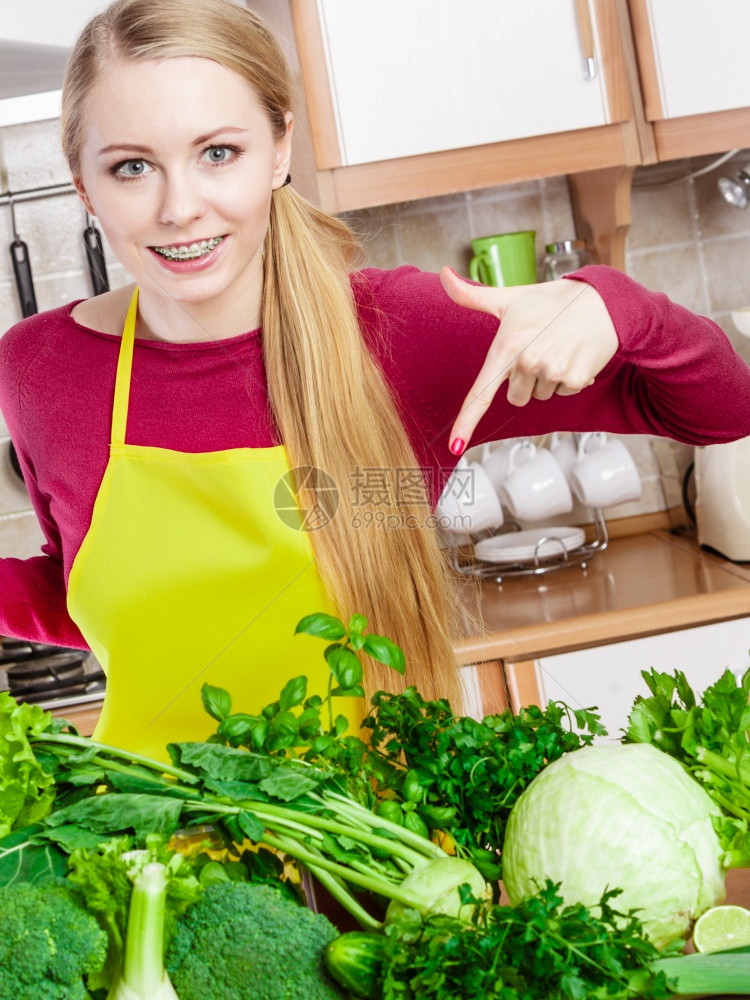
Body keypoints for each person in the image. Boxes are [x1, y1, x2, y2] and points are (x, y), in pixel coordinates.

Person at [1, 0, 749, 759]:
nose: (181, 206)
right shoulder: (40, 368)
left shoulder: (404, 332)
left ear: (280, 148)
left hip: (378, 857)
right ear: (85, 187)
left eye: (219, 152)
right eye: (133, 166)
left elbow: (724, 408)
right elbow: (99, 596)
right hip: (156, 855)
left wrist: (615, 308)